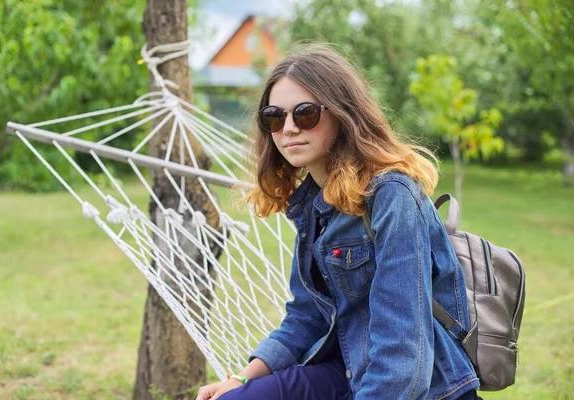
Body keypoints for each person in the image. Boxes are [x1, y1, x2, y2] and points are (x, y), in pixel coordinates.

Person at [196, 44, 480, 400]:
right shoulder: (311, 204)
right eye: (274, 117)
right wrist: (239, 380)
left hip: (416, 387)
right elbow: (305, 318)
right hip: (346, 368)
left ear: (343, 114)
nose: (287, 129)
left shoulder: (392, 196)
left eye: (305, 114)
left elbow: (403, 352)